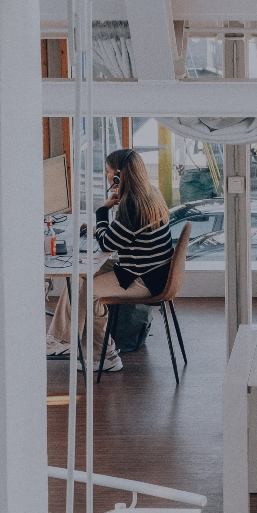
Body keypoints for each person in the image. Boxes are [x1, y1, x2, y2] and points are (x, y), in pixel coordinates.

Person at [46, 148, 174, 372]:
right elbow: (117, 236)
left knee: (86, 290)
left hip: (142, 279)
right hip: (149, 270)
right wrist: (100, 229)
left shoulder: (132, 205)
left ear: (118, 176)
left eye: (107, 171)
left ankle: (99, 354)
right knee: (80, 275)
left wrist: (102, 211)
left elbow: (108, 244)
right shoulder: (150, 194)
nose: (105, 175)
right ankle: (66, 340)